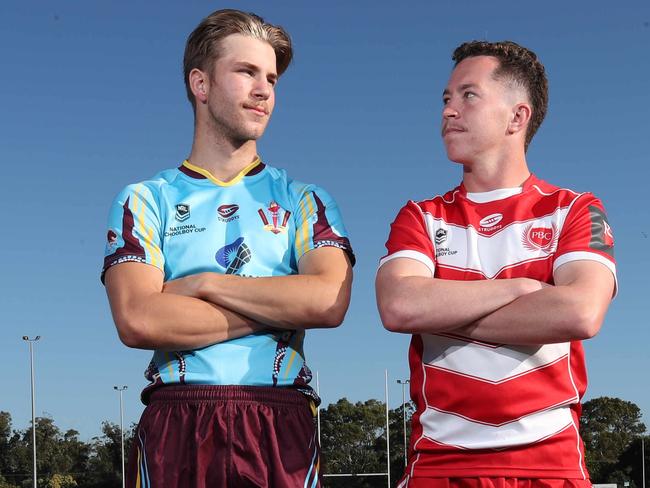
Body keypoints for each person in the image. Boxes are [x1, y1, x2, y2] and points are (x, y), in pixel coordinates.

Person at [102, 9, 354, 487]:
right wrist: (284, 305)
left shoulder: (307, 199)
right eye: (246, 72)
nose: (264, 90)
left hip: (278, 418)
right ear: (200, 84)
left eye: (272, 79)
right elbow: (138, 319)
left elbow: (327, 300)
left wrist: (202, 284)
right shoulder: (144, 199)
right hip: (179, 418)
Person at [376, 40, 616, 487]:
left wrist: (442, 312)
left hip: (550, 465)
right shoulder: (420, 216)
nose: (449, 110)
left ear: (516, 117)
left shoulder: (576, 209)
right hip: (441, 466)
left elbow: (580, 312)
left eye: (468, 95)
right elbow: (399, 307)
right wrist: (520, 289)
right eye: (446, 99)